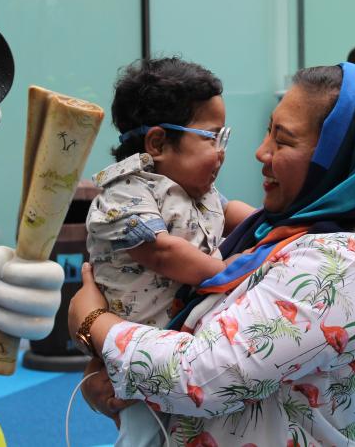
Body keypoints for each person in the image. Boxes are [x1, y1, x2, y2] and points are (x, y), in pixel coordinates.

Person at [70, 62, 355, 446]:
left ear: (341, 158)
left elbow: (199, 376)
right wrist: (107, 373)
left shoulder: (341, 266)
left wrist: (92, 321)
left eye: (283, 140)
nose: (261, 152)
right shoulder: (278, 233)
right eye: (268, 132)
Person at [84, 57, 253, 445]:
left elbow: (230, 213)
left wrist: (269, 222)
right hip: (137, 347)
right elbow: (161, 251)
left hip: (179, 343)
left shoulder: (198, 193)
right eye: (212, 138)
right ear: (158, 142)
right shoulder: (126, 192)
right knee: (144, 431)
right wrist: (225, 270)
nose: (221, 152)